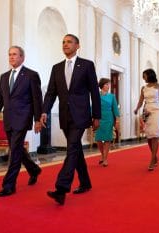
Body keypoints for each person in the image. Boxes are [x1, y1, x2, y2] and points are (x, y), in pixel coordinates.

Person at [39, 34, 101, 205]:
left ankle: (61, 188)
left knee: (72, 148)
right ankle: (85, 182)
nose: (65, 44)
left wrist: (97, 115)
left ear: (77, 45)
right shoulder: (56, 68)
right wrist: (45, 111)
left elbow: (94, 92)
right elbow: (51, 92)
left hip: (81, 115)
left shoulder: (87, 65)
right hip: (65, 116)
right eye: (63, 42)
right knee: (76, 150)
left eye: (69, 42)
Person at [0, 46, 43, 197]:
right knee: (17, 148)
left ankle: (9, 185)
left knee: (14, 151)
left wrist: (38, 119)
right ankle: (34, 169)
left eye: (15, 55)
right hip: (9, 118)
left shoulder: (31, 75)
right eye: (10, 55)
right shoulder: (4, 77)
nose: (11, 57)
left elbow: (37, 99)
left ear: (22, 57)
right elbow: (0, 98)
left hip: (23, 118)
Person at [133, 68, 159, 171]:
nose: (143, 78)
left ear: (150, 75)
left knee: (155, 135)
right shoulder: (143, 88)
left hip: (157, 111)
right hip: (147, 111)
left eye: (144, 75)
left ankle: (152, 160)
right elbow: (141, 101)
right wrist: (137, 108)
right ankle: (155, 156)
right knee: (149, 137)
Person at [95, 78, 120, 167]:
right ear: (102, 86)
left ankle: (105, 159)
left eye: (109, 84)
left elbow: (115, 109)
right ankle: (102, 154)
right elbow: (93, 107)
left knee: (107, 139)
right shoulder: (96, 95)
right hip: (99, 118)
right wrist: (92, 118)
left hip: (109, 119)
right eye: (106, 84)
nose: (108, 86)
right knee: (98, 139)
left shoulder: (112, 96)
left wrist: (117, 120)